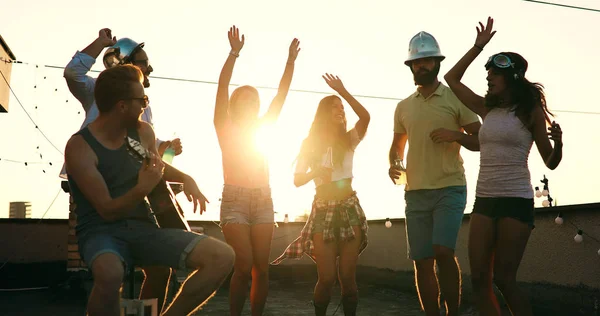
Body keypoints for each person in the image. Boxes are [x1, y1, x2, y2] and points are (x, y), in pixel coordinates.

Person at [64, 64, 235, 316]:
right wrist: (142, 187)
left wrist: (185, 177)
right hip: (102, 232)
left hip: (144, 229)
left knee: (222, 256)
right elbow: (107, 210)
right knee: (110, 274)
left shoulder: (141, 132)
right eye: (142, 100)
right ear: (122, 106)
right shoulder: (80, 147)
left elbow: (153, 164)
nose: (145, 105)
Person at [444, 17, 562, 316]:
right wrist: (477, 47)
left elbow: (551, 161)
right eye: (488, 74)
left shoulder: (530, 112)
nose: (488, 78)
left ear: (512, 78)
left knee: (504, 280)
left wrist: (558, 144)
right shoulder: (487, 108)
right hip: (485, 201)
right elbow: (452, 78)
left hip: (516, 201)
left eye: (494, 74)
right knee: (480, 280)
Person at [61, 28, 181, 312]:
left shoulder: (144, 109)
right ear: (124, 65)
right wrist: (101, 43)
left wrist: (166, 147)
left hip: (132, 190)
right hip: (97, 187)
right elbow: (72, 74)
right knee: (110, 272)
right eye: (143, 62)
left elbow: (141, 148)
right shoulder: (97, 92)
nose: (149, 68)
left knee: (160, 270)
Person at [388, 31, 481, 316]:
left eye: (427, 61)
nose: (421, 67)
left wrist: (455, 134)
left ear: (437, 64)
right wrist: (393, 163)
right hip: (415, 193)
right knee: (422, 261)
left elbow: (480, 141)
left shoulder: (456, 99)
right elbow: (396, 148)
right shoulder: (403, 107)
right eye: (417, 63)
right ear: (411, 67)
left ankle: (452, 311)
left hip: (450, 188)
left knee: (443, 252)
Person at [213, 25, 300, 316]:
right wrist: (234, 53)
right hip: (235, 202)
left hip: (263, 200)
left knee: (261, 269)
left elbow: (282, 95)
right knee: (244, 264)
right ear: (234, 105)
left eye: (254, 99)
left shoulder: (264, 128)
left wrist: (290, 62)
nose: (250, 102)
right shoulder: (224, 127)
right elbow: (223, 87)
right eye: (244, 99)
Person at [272, 74, 370, 316]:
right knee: (326, 278)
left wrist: (343, 91)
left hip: (349, 209)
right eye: (335, 106)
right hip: (323, 209)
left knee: (347, 278)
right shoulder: (309, 143)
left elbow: (365, 117)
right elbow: (297, 180)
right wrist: (316, 170)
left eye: (342, 108)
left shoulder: (348, 140)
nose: (340, 110)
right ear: (323, 113)